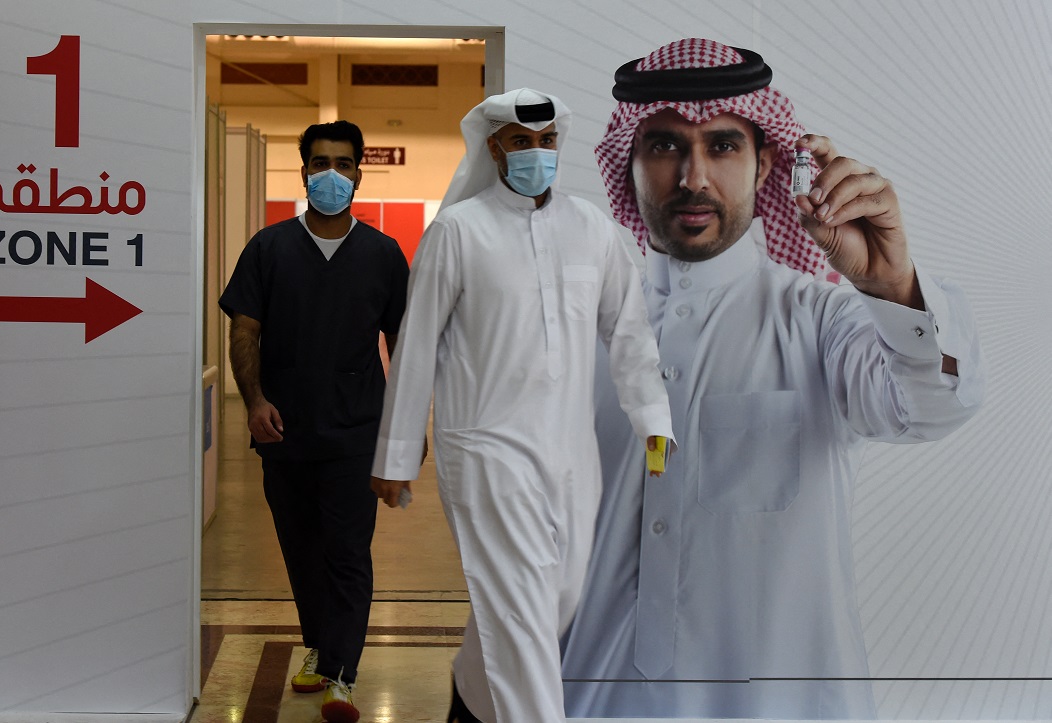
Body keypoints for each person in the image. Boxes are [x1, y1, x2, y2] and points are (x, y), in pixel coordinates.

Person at [560, 38, 985, 719]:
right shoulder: (578, 332)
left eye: (723, 145)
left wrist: (893, 286)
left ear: (764, 166)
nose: (694, 177)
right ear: (628, 163)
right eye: (665, 146)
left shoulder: (824, 323)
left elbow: (931, 407)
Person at [369, 88, 675, 723]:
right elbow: (416, 346)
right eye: (520, 142)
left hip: (571, 451)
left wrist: (653, 419)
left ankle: (470, 689)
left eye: (546, 141)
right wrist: (397, 455)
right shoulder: (458, 231)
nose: (537, 153)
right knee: (522, 609)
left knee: (556, 598)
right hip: (485, 448)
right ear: (494, 148)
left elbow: (628, 331)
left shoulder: (592, 228)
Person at [219, 120, 409, 723]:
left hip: (355, 432)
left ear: (359, 174)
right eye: (320, 163)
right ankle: (321, 649)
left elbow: (403, 342)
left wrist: (405, 428)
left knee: (347, 553)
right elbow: (244, 329)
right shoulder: (269, 248)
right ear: (304, 172)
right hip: (285, 432)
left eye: (343, 164)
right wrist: (254, 401)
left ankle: (342, 676)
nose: (332, 174)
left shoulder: (382, 255)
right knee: (302, 552)